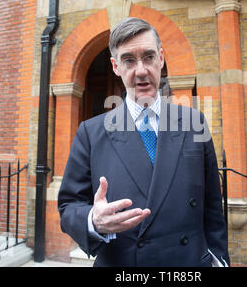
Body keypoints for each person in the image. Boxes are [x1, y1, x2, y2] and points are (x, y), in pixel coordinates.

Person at [58, 17, 230, 267]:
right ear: (115, 66)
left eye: (148, 57)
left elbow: (213, 206)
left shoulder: (194, 123)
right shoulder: (91, 133)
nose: (141, 70)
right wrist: (93, 221)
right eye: (129, 60)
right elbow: (69, 206)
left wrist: (219, 260)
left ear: (161, 58)